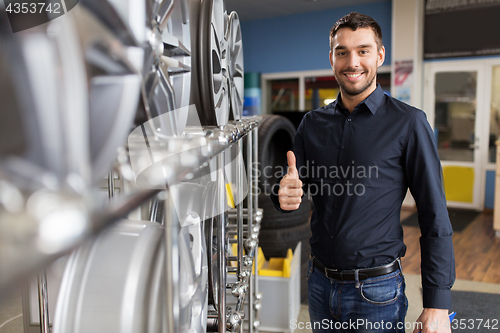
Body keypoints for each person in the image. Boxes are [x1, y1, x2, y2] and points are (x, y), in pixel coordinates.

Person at [270, 12, 455, 333]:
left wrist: (437, 303)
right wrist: (281, 194)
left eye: (363, 50)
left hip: (377, 292)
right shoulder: (312, 124)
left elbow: (434, 213)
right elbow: (290, 183)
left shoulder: (409, 123)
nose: (352, 61)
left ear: (380, 55)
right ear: (331, 58)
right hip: (319, 284)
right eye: (342, 52)